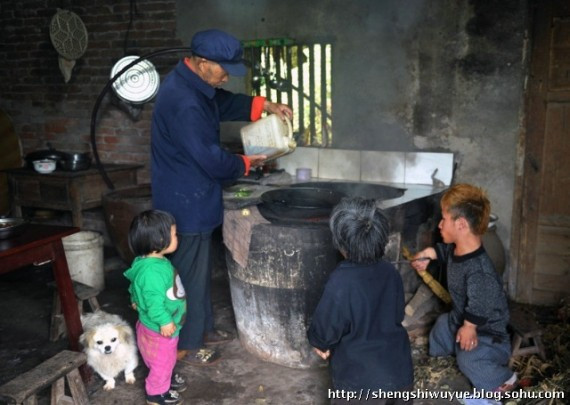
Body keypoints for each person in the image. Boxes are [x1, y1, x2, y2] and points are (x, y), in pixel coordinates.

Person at [151, 28, 293, 366]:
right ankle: (184, 341)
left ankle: (204, 327)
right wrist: (247, 162)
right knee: (185, 272)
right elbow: (211, 160)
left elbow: (224, 101)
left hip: (196, 194)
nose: (227, 76)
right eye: (223, 69)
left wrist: (264, 105)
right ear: (202, 63)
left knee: (199, 270)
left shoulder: (196, 84)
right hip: (184, 199)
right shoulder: (183, 102)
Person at [411, 183, 517, 393]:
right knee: (441, 326)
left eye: (444, 219)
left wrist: (469, 327)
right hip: (459, 319)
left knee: (469, 359)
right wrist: (428, 255)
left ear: (460, 225)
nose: (440, 225)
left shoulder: (481, 272)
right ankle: (440, 365)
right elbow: (444, 252)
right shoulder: (457, 249)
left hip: (487, 334)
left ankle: (505, 379)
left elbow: (480, 304)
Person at [307, 197, 414, 405]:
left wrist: (318, 342)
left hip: (360, 386)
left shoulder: (340, 281)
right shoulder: (390, 272)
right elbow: (396, 314)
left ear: (340, 243)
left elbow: (324, 331)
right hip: (400, 375)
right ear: (382, 238)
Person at [124, 210, 187, 405]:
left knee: (162, 361)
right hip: (159, 329)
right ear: (160, 239)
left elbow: (134, 283)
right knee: (162, 363)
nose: (177, 237)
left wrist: (135, 298)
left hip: (150, 325)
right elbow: (154, 303)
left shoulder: (145, 262)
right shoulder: (153, 272)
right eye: (174, 234)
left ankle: (164, 379)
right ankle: (156, 393)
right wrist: (165, 321)